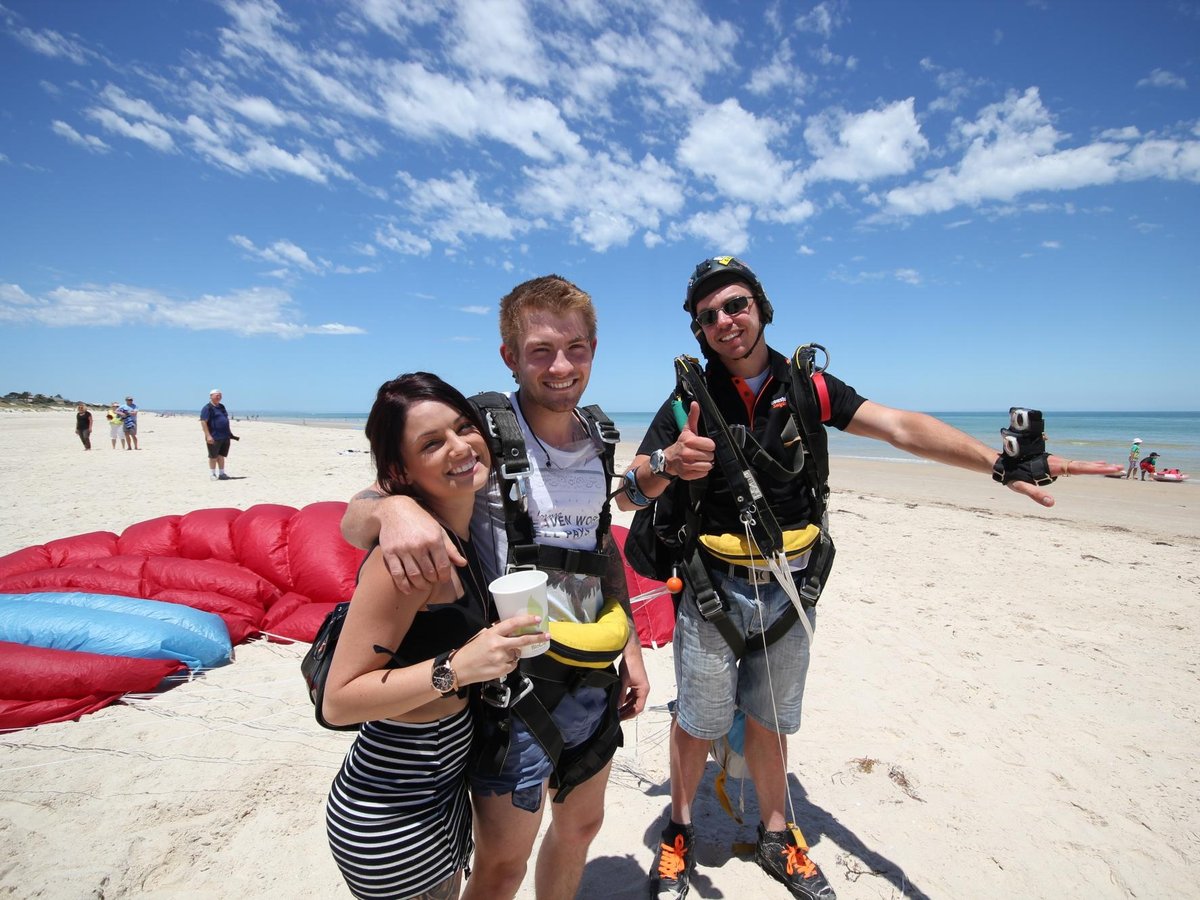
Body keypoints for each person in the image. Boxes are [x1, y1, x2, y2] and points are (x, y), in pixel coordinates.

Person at [619, 255, 1122, 900]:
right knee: (696, 718)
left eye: (736, 304)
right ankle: (680, 829)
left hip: (792, 585)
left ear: (762, 309)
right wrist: (667, 463)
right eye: (708, 314)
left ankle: (777, 835)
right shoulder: (689, 399)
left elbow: (900, 428)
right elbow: (631, 493)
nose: (725, 320)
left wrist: (998, 464)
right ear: (698, 330)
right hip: (713, 585)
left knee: (772, 719)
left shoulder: (810, 388)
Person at [341, 275, 649, 900]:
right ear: (510, 356)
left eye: (576, 348)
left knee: (581, 826)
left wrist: (633, 650)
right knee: (504, 863)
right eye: (540, 350)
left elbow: (598, 548)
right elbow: (358, 512)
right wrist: (389, 513)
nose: (561, 366)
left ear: (594, 347)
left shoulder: (599, 435)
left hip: (593, 672)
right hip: (514, 687)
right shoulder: (477, 429)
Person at [323, 371, 550, 900]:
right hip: (391, 814)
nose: (458, 447)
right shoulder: (406, 561)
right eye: (432, 443)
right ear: (401, 471)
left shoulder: (465, 527)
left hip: (440, 795)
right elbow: (338, 702)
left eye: (463, 428)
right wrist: (459, 668)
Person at [200, 389, 235, 480]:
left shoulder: (222, 406)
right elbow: (203, 422)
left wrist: (229, 433)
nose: (219, 397)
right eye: (216, 395)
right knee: (213, 456)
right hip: (214, 436)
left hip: (224, 436)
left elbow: (225, 419)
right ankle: (212, 474)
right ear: (211, 396)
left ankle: (222, 474)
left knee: (221, 455)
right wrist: (208, 435)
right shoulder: (207, 408)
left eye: (220, 395)